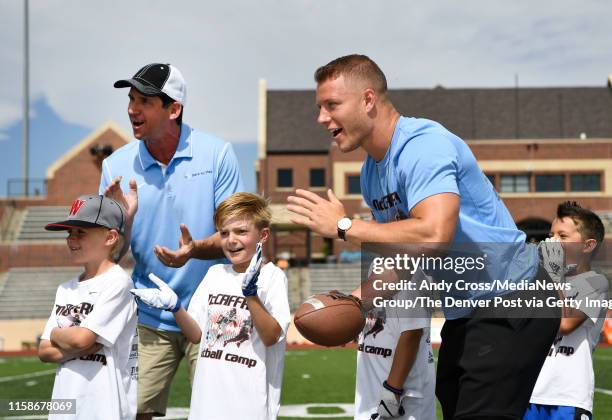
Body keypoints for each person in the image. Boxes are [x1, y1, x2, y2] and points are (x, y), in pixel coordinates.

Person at [287, 54, 560, 419]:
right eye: (320, 107)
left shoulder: (422, 145)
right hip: (466, 310)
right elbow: (407, 254)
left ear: (368, 100)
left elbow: (434, 234)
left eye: (331, 105)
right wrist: (357, 300)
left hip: (511, 297)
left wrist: (344, 227)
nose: (322, 118)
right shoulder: (371, 174)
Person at [101, 63, 244, 419]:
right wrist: (123, 224)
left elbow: (237, 235)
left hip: (213, 313)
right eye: (131, 99)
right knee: (133, 411)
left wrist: (194, 249)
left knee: (217, 412)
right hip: (150, 314)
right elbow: (110, 256)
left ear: (174, 109)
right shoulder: (115, 166)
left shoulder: (217, 154)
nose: (133, 109)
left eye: (145, 100)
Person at [132, 192, 290, 420]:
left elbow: (271, 336)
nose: (231, 239)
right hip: (207, 402)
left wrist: (251, 295)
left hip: (249, 404)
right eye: (224, 233)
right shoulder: (215, 274)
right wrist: (175, 307)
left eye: (241, 231)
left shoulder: (272, 276)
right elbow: (196, 334)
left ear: (263, 235)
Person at [38, 195, 138, 419]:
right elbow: (44, 351)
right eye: (69, 233)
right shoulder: (66, 288)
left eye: (81, 232)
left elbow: (81, 340)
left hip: (104, 406)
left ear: (110, 237)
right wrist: (69, 339)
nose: (72, 239)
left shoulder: (118, 283)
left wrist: (58, 334)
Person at [525, 202, 607, 420]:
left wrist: (553, 275)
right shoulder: (540, 282)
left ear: (587, 246)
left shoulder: (595, 283)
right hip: (527, 393)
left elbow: (565, 324)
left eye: (562, 236)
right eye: (551, 235)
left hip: (567, 398)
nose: (552, 242)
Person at [355, 270, 436, 420]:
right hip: (375, 385)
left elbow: (412, 332)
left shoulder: (411, 270)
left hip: (401, 398)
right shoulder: (378, 264)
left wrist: (392, 391)